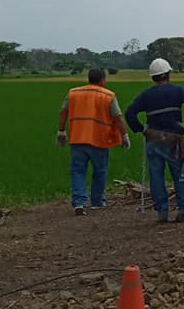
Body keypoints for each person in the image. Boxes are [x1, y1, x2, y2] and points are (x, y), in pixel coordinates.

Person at [125, 58, 184, 223]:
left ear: (153, 77)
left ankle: (162, 212)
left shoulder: (146, 95)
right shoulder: (178, 91)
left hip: (153, 140)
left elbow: (130, 113)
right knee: (180, 176)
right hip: (174, 140)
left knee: (156, 177)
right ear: (168, 74)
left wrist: (141, 129)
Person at [56, 67, 131, 216]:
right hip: (99, 140)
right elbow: (118, 117)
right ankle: (97, 201)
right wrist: (124, 135)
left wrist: (61, 130)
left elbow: (63, 111)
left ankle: (79, 203)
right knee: (100, 171)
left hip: (78, 139)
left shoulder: (73, 93)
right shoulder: (108, 95)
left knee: (77, 171)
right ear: (102, 80)